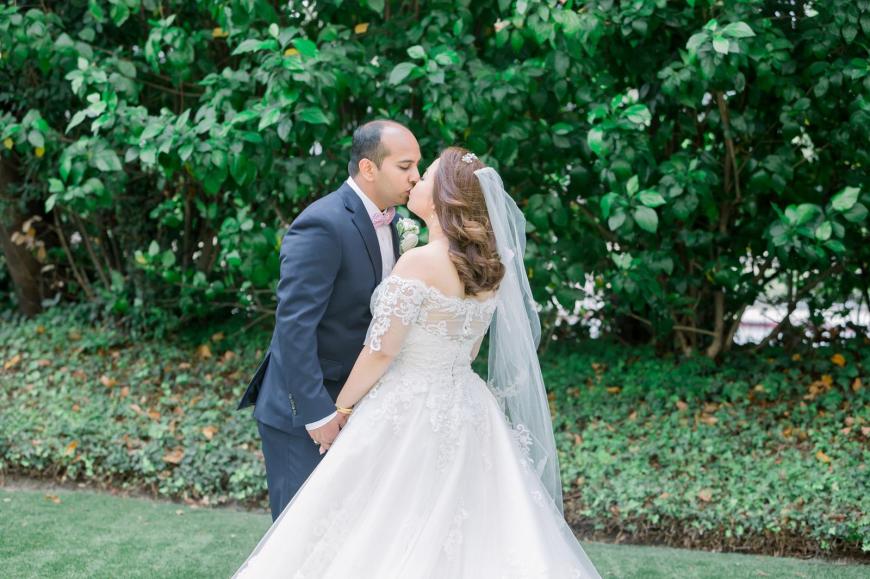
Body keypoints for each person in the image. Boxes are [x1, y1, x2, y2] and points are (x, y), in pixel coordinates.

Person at [234, 146, 602, 577]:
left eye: (425, 176)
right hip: (468, 405)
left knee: (376, 521)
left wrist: (343, 407)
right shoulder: (488, 269)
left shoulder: (419, 262)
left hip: (408, 405)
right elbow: (468, 351)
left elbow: (382, 351)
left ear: (443, 196)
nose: (415, 180)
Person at [236, 120, 422, 521]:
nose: (416, 177)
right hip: (307, 411)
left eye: (417, 166)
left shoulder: (400, 225)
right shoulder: (323, 223)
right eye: (405, 166)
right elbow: (294, 327)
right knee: (299, 531)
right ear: (369, 168)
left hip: (363, 405)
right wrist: (316, 413)